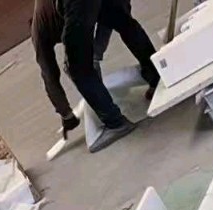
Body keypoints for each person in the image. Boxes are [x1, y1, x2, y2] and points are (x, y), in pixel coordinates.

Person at [33, 0, 162, 152]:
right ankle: (156, 78)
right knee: (124, 22)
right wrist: (95, 53)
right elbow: (104, 16)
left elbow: (49, 76)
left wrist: (66, 115)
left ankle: (115, 123)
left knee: (77, 67)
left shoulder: (38, 32)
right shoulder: (45, 11)